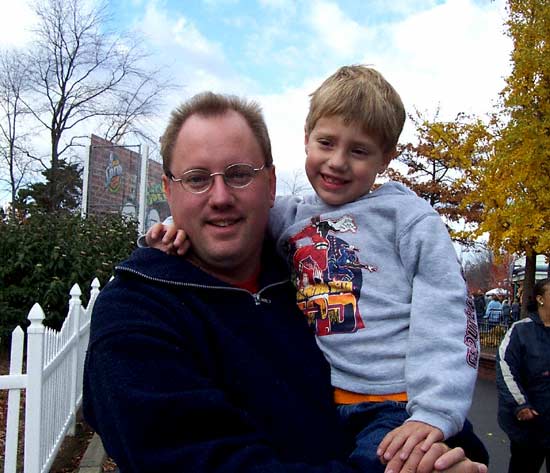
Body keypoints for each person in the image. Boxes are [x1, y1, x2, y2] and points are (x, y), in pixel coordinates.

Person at [83, 92, 486, 473]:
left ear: (271, 185)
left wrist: (450, 448)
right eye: (197, 178)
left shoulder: (307, 271)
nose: (220, 196)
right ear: (169, 191)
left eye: (240, 174)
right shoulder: (136, 315)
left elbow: (442, 417)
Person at [496, 278, 550, 473]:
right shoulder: (521, 330)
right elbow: (505, 368)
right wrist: (520, 404)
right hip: (531, 424)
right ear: (540, 299)